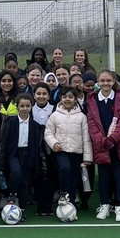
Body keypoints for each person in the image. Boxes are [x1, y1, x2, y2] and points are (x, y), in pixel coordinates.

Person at [86, 70, 120, 222]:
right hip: (102, 145)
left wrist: (113, 138)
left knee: (119, 175)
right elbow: (91, 121)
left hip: (117, 144)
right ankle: (104, 205)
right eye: (102, 80)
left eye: (108, 80)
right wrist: (101, 140)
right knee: (104, 177)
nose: (105, 83)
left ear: (113, 82)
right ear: (98, 82)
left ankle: (119, 207)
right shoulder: (92, 99)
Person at [44, 87, 93, 215]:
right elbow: (48, 133)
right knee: (64, 169)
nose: (67, 99)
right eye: (65, 97)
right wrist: (54, 143)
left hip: (77, 152)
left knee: (74, 178)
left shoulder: (82, 117)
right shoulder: (55, 115)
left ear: (76, 99)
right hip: (61, 151)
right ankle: (64, 194)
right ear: (60, 98)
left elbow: (86, 137)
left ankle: (71, 202)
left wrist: (88, 156)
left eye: (70, 97)